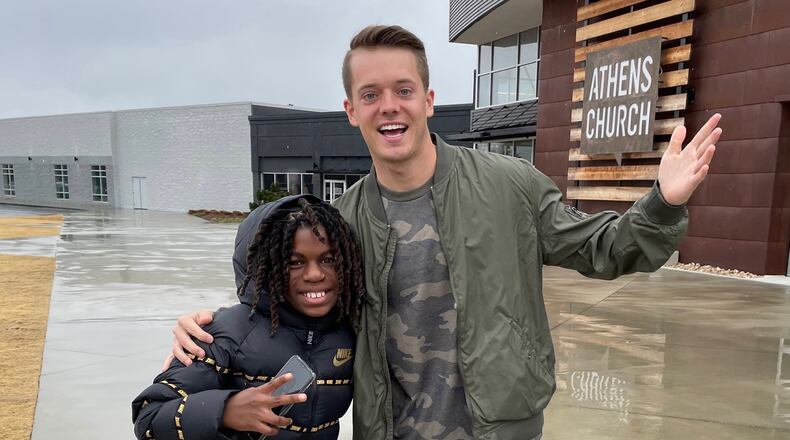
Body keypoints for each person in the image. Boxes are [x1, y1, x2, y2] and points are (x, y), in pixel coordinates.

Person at [169, 25, 721, 440]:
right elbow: (296, 309)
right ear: (351, 111)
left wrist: (662, 201)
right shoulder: (344, 223)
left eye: (404, 90)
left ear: (428, 100)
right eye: (371, 94)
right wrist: (211, 331)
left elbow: (606, 250)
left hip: (502, 427)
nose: (389, 106)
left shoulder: (511, 185)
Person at [133, 195, 365, 439]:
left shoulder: (352, 329)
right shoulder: (224, 333)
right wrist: (225, 411)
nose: (315, 274)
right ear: (262, 267)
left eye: (328, 259)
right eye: (294, 263)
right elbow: (148, 418)